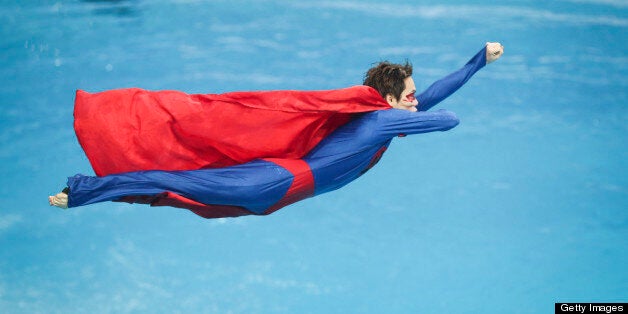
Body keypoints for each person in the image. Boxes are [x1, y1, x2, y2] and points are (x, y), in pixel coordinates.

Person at [49, 42, 504, 218]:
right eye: (408, 94)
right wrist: (416, 115)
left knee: (179, 191)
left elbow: (435, 98)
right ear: (387, 99)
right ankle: (83, 191)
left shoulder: (380, 118)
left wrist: (477, 61)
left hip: (284, 191)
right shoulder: (385, 120)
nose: (415, 99)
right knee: (177, 183)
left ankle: (93, 192)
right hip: (277, 180)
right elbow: (447, 118)